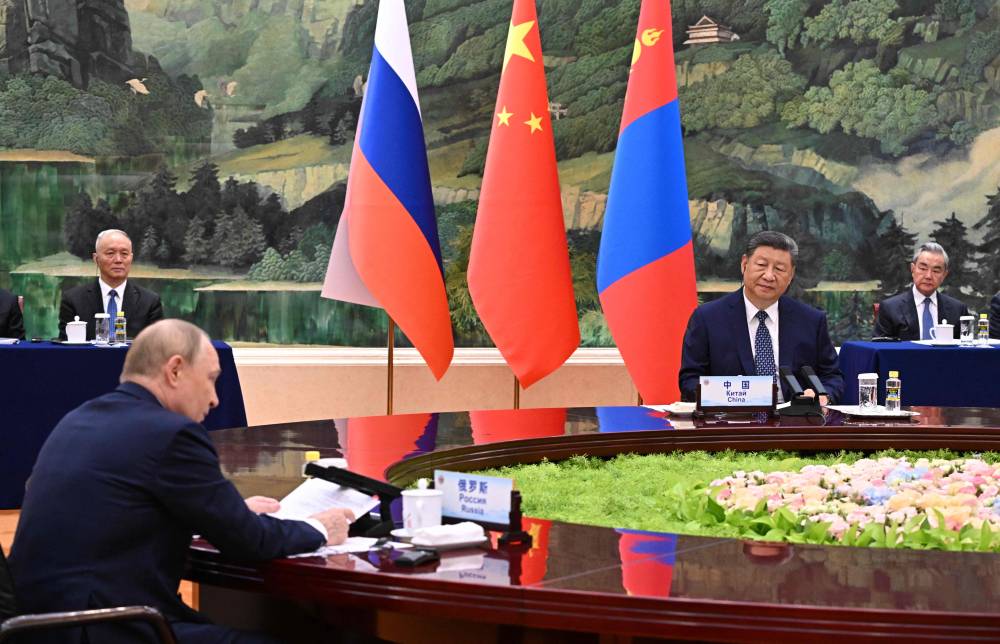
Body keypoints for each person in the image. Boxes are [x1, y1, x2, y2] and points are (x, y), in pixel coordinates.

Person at [10, 320, 354, 643]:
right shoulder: (171, 433)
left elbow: (115, 512)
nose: (216, 398)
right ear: (175, 370)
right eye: (211, 379)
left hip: (37, 627)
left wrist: (226, 512)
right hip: (106, 627)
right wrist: (320, 527)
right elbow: (250, 542)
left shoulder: (79, 418)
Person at [679, 231, 843, 404]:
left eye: (779, 269)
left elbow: (832, 376)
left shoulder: (811, 320)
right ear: (744, 264)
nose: (769, 276)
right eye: (761, 265)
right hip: (732, 421)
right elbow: (689, 380)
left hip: (795, 422)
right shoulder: (708, 318)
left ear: (791, 275)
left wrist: (823, 396)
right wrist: (730, 396)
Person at [58, 229, 163, 340]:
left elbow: (155, 348)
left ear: (131, 258)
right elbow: (66, 349)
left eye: (124, 254)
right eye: (110, 253)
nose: (118, 260)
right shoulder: (73, 300)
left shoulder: (150, 302)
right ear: (96, 259)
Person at [873, 242, 969, 340]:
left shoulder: (958, 310)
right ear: (913, 269)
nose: (928, 276)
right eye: (923, 268)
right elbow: (881, 349)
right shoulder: (890, 308)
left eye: (936, 271)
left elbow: (965, 351)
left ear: (944, 275)